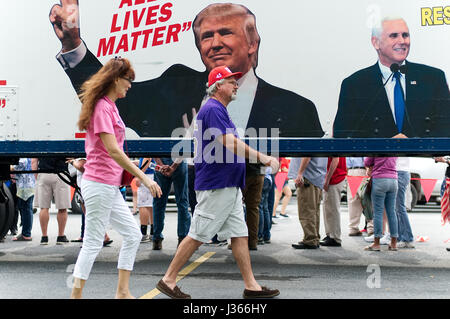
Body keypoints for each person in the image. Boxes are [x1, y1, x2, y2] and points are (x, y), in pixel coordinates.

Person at [50, 1, 324, 138]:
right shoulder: (174, 86)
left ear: (252, 42)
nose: (215, 44)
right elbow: (111, 95)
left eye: (226, 33)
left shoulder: (296, 108)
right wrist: (73, 46)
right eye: (206, 36)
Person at [155, 66, 280, 299]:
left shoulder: (218, 109)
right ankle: (168, 280)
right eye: (231, 81)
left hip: (227, 184)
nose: (235, 85)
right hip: (217, 185)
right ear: (218, 85)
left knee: (239, 234)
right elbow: (229, 143)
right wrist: (263, 157)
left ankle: (251, 286)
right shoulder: (212, 109)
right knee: (198, 234)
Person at [70, 57, 162, 299]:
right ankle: (76, 296)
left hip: (107, 185)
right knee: (92, 242)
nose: (131, 85)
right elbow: (113, 150)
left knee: (133, 234)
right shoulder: (102, 107)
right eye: (128, 79)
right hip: (98, 184)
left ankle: (122, 292)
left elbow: (114, 151)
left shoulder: (110, 106)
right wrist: (144, 176)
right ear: (115, 79)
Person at [333, 16, 450, 138]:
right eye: (394, 36)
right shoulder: (355, 84)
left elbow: (446, 129)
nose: (402, 41)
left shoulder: (433, 78)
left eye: (405, 35)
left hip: (423, 156)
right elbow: (343, 135)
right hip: (377, 156)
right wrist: (385, 149)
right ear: (376, 42)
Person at [68, 158, 113, 247]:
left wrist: (73, 162)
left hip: (86, 187)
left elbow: (82, 167)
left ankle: (95, 239)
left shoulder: (86, 152)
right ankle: (103, 236)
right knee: (91, 216)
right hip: (87, 186)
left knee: (89, 216)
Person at [151, 157, 191, 250]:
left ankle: (157, 238)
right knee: (182, 201)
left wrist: (160, 165)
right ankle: (182, 238)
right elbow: (184, 148)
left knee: (159, 202)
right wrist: (174, 166)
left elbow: (153, 147)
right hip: (179, 163)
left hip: (161, 161)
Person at [289, 157, 328, 249]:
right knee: (314, 211)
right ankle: (314, 238)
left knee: (306, 210)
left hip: (308, 177)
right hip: (317, 177)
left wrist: (299, 173)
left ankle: (310, 239)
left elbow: (307, 155)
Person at [363, 157, 399, 251]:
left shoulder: (376, 144)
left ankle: (376, 243)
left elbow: (367, 161)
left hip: (379, 179)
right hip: (393, 179)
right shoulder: (395, 144)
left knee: (378, 212)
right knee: (391, 212)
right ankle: (394, 243)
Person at [34, 157, 71, 245]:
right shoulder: (65, 142)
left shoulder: (40, 142)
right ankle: (60, 236)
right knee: (62, 208)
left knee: (44, 208)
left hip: (44, 173)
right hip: (61, 174)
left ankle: (44, 237)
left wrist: (37, 176)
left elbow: (34, 160)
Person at [320, 157, 347, 247]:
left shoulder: (334, 142)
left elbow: (335, 159)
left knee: (333, 209)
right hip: (334, 176)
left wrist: (327, 179)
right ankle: (330, 234)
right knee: (328, 208)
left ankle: (335, 237)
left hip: (335, 177)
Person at [346, 157, 373, 236]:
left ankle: (353, 228)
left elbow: (347, 162)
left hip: (351, 171)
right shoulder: (363, 144)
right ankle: (371, 227)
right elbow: (366, 160)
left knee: (353, 201)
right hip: (363, 171)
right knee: (367, 200)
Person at [11, 158, 36, 242]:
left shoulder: (23, 156)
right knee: (27, 209)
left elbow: (20, 165)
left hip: (25, 186)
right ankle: (26, 233)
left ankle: (26, 234)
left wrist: (11, 167)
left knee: (26, 209)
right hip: (28, 184)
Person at [395, 157, 415, 248]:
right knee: (398, 208)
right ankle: (400, 237)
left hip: (400, 172)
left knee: (400, 208)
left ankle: (407, 238)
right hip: (402, 172)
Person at [136, 158, 155, 243]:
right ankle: (153, 232)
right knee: (151, 205)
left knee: (143, 205)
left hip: (146, 174)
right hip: (152, 173)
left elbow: (147, 157)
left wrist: (139, 175)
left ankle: (143, 234)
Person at [258, 167, 273, 245]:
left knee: (259, 207)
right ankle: (266, 235)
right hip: (268, 177)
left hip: (261, 176)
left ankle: (259, 236)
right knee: (264, 208)